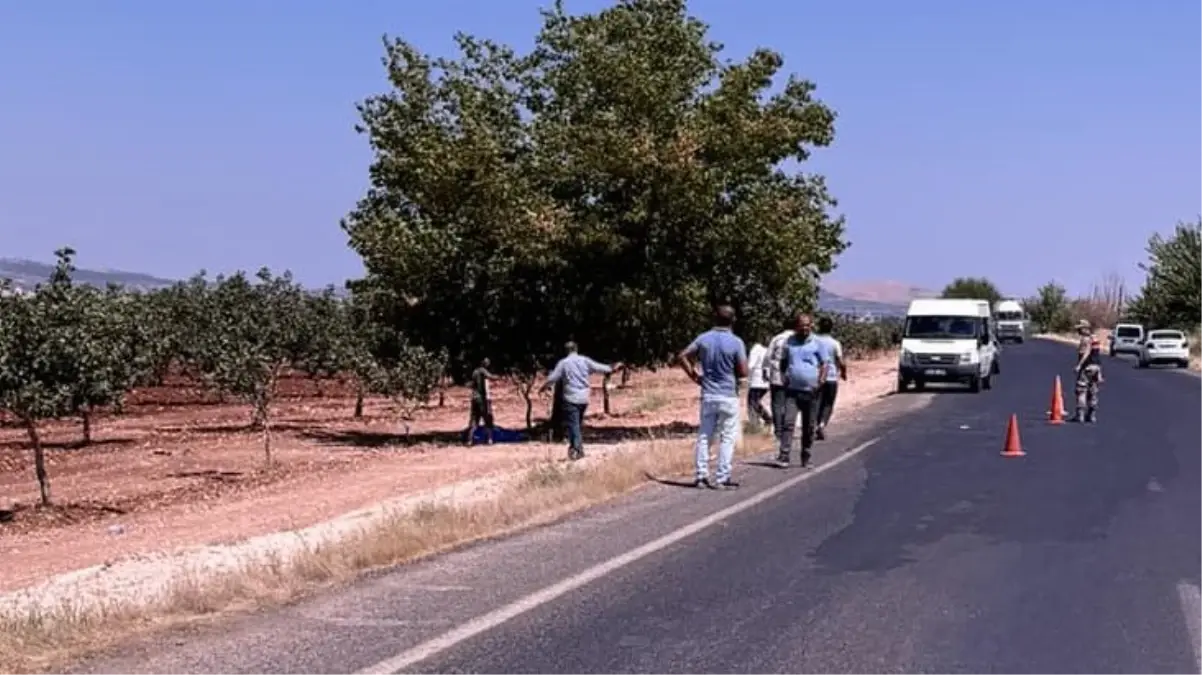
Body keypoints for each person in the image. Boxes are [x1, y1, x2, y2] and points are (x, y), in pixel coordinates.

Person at [676, 304, 749, 489]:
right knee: (727, 437)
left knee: (704, 435)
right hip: (728, 395)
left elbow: (682, 355)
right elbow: (742, 372)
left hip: (708, 394)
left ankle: (701, 476)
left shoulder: (703, 338)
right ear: (733, 320)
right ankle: (722, 477)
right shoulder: (736, 342)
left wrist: (695, 377)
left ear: (715, 318)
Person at [540, 342, 623, 460]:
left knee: (573, 425)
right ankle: (574, 447)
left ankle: (577, 449)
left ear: (566, 351)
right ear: (576, 349)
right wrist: (612, 367)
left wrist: (544, 387)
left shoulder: (563, 363)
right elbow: (601, 368)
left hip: (570, 398)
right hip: (584, 398)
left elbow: (553, 378)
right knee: (577, 424)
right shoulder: (585, 361)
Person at [777, 313, 830, 468]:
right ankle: (784, 455)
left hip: (811, 391)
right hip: (792, 390)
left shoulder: (817, 342)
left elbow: (825, 363)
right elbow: (783, 361)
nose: (805, 328)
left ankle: (806, 455)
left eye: (808, 325)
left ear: (811, 326)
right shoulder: (790, 342)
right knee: (788, 422)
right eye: (802, 325)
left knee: (809, 426)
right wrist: (783, 377)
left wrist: (821, 381)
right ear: (796, 326)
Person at [812, 316, 847, 440]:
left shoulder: (813, 341)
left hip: (816, 376)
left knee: (816, 402)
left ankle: (814, 425)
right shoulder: (835, 343)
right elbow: (840, 361)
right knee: (828, 403)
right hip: (831, 377)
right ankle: (822, 425)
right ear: (831, 328)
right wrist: (843, 373)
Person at [764, 318, 796, 442]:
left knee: (777, 404)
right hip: (793, 376)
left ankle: (778, 431)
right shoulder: (797, 339)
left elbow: (768, 357)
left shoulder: (777, 338)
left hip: (777, 376)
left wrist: (766, 371)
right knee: (791, 404)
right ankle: (788, 429)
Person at [1072, 320, 1104, 423]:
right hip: (1096, 368)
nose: (1078, 331)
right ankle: (1091, 415)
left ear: (1085, 329)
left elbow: (1086, 353)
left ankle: (1080, 415)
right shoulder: (1095, 339)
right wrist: (1099, 373)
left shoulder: (1085, 340)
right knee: (1093, 391)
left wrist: (1079, 365)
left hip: (1087, 368)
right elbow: (1097, 356)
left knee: (1081, 390)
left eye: (1080, 329)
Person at [467, 358, 500, 446]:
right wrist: (499, 377)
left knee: (474, 418)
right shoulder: (482, 371)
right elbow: (491, 377)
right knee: (487, 417)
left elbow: (471, 384)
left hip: (474, 398)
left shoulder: (474, 372)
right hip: (481, 399)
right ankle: (489, 439)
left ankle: (469, 440)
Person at [745, 338, 772, 428]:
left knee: (752, 402)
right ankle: (766, 418)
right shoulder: (769, 350)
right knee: (756, 401)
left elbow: (750, 365)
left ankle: (755, 424)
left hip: (756, 380)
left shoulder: (756, 348)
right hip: (766, 381)